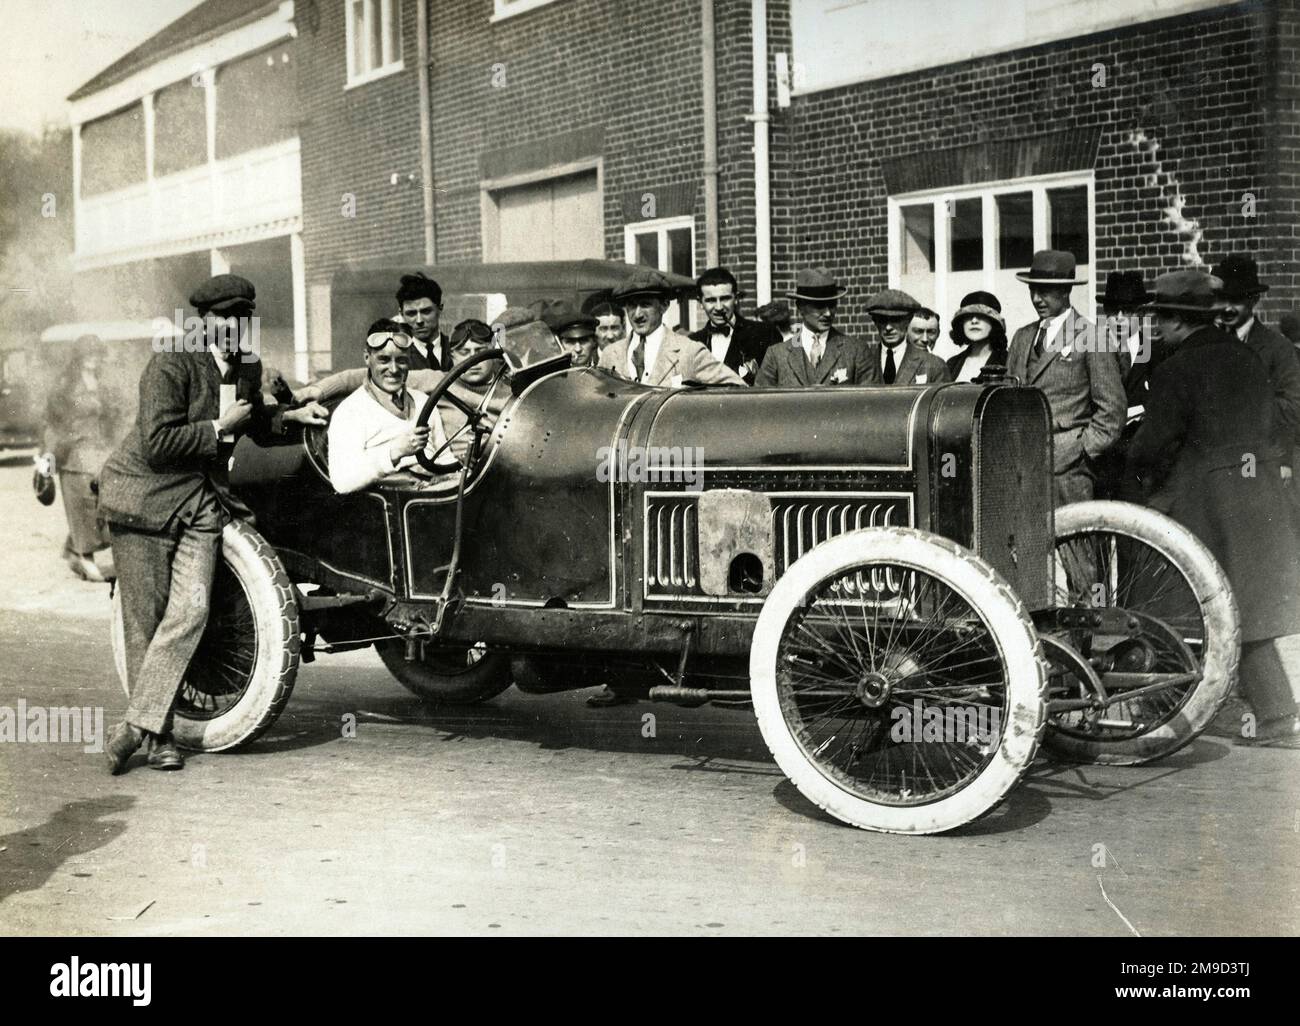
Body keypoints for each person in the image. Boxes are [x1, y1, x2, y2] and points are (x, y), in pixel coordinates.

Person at [97, 274, 328, 774]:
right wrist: (217, 429)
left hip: (203, 501)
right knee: (147, 620)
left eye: (241, 318)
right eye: (223, 318)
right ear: (202, 322)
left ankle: (133, 727)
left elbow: (255, 423)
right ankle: (158, 737)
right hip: (145, 498)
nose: (233, 327)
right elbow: (159, 443)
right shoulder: (171, 363)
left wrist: (293, 416)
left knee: (193, 610)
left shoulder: (248, 367)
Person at [1128, 269, 1300, 746]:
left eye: (1161, 318)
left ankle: (1159, 705)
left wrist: (1137, 467)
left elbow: (1155, 443)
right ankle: (1277, 717)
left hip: (1202, 499)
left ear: (1178, 320)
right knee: (1248, 606)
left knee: (1165, 598)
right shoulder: (1247, 357)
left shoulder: (1175, 368)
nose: (1157, 327)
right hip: (1257, 492)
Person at [1007, 249, 1125, 505]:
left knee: (1074, 543)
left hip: (1068, 471)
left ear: (1065, 291)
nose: (1037, 299)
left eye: (1046, 291)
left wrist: (1081, 451)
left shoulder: (1092, 335)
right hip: (1021, 466)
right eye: (1033, 290)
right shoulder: (1022, 337)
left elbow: (1112, 410)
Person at [327, 320, 450, 494]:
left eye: (401, 360)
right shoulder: (350, 411)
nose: (393, 369)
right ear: (367, 358)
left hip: (436, 493)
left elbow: (445, 457)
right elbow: (342, 481)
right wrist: (396, 451)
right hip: (396, 502)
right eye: (384, 360)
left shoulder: (423, 401)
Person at [1211, 254, 1300, 485]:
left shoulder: (1278, 348)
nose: (1227, 308)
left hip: (1261, 461)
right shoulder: (1208, 344)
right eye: (1222, 300)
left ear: (1254, 299)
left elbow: (1292, 408)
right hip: (1215, 465)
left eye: (1236, 300)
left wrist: (1285, 463)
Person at [40, 337, 119, 581]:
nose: (93, 358)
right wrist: (47, 456)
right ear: (79, 356)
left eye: (97, 353)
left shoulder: (101, 381)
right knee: (83, 506)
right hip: (73, 455)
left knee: (101, 504)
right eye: (88, 354)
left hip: (98, 451)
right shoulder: (66, 385)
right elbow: (52, 422)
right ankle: (86, 559)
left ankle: (75, 553)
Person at [598, 270, 743, 387]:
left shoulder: (689, 351)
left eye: (645, 305)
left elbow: (738, 389)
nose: (637, 314)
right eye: (631, 305)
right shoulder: (610, 354)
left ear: (664, 306)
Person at [754, 268, 878, 387]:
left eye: (832, 305)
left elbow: (870, 404)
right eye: (820, 306)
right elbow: (761, 404)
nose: (828, 313)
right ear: (800, 307)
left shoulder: (856, 351)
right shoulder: (776, 355)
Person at [1094, 271, 1153, 500]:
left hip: (1140, 462)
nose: (1119, 318)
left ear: (1141, 314)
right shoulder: (1095, 352)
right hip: (1104, 462)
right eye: (1112, 312)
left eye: (1127, 312)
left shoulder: (1156, 353)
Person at [687, 266, 781, 382]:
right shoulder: (691, 343)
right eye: (711, 300)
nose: (719, 307)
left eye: (725, 299)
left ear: (736, 298)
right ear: (700, 302)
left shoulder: (765, 334)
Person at [867, 288, 951, 385]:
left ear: (908, 321)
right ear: (875, 322)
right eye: (882, 320)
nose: (888, 327)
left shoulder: (934, 365)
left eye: (896, 320)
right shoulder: (864, 361)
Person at [945, 291, 1008, 383]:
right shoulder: (952, 364)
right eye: (968, 316)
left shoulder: (1007, 361)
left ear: (994, 322)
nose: (974, 321)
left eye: (981, 316)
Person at [396, 271, 453, 371]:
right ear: (401, 314)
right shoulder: (397, 356)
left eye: (426, 311)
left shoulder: (458, 349)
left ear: (440, 309)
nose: (419, 320)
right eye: (411, 313)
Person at [543, 302, 600, 368]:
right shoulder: (554, 374)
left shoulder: (603, 366)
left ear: (594, 342)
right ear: (560, 344)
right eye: (570, 342)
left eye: (584, 341)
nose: (578, 349)